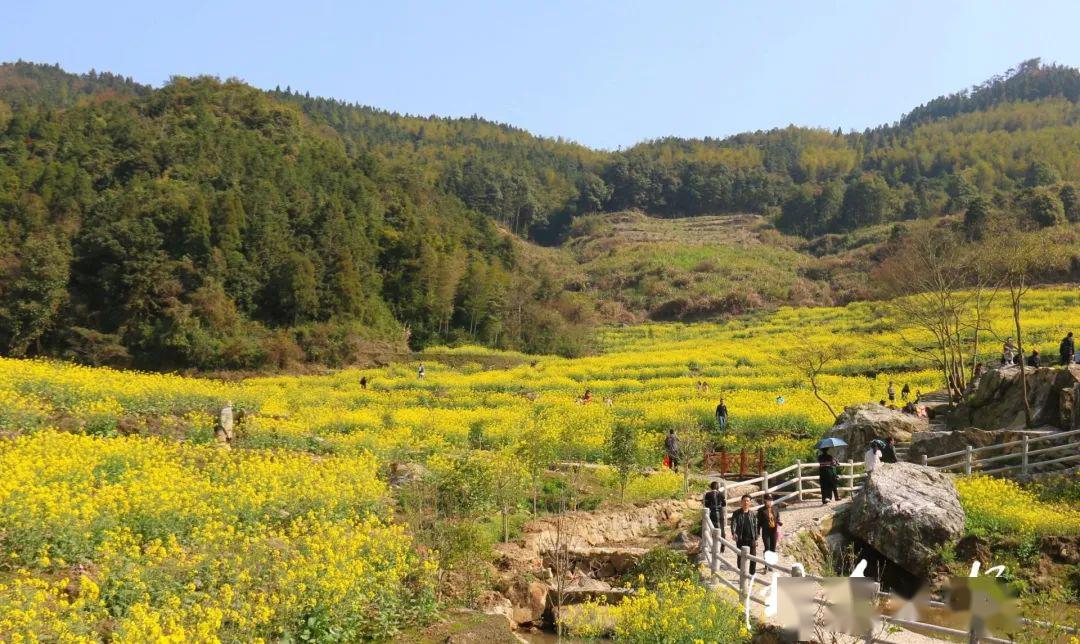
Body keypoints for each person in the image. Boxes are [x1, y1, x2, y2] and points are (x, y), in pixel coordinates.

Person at [730, 494, 759, 575]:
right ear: (741, 502)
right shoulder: (736, 513)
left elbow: (756, 526)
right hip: (741, 538)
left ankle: (752, 574)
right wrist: (734, 533)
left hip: (751, 538)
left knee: (753, 557)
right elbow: (733, 524)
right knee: (740, 557)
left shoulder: (753, 514)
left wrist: (756, 538)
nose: (746, 502)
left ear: (750, 503)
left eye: (747, 501)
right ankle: (741, 573)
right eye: (744, 501)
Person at [757, 494, 783, 564]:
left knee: (773, 548)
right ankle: (766, 564)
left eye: (771, 500)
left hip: (773, 531)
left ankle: (771, 563)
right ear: (765, 501)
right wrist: (758, 532)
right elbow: (758, 523)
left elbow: (777, 518)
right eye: (769, 500)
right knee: (767, 548)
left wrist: (779, 522)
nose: (770, 502)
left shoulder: (775, 509)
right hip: (766, 531)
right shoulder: (761, 510)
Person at [703, 482, 727, 552]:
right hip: (720, 513)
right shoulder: (721, 494)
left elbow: (706, 505)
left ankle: (714, 547)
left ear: (711, 487)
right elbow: (724, 504)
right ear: (717, 487)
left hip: (712, 513)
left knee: (712, 529)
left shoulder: (708, 494)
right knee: (721, 529)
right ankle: (722, 547)